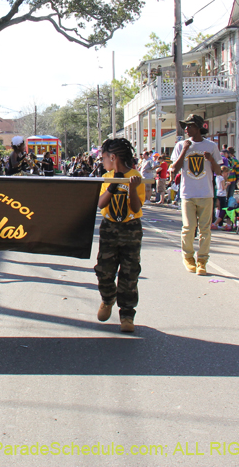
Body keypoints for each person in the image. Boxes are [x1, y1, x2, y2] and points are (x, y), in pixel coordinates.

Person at [95, 138, 144, 333]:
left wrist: (132, 187)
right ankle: (107, 299)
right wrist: (113, 185)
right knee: (104, 270)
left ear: (113, 157)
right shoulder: (107, 177)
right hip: (109, 228)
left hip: (130, 229)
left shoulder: (136, 176)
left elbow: (136, 206)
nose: (102, 161)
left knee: (129, 273)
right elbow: (100, 204)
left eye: (104, 157)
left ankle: (127, 313)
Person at [170, 114, 222, 276]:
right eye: (185, 126)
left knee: (205, 230)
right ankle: (188, 257)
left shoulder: (211, 146)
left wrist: (211, 160)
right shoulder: (181, 145)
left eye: (190, 126)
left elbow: (219, 171)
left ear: (199, 128)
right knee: (188, 227)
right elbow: (175, 169)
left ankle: (202, 261)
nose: (186, 129)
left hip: (206, 194)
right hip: (187, 193)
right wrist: (185, 149)